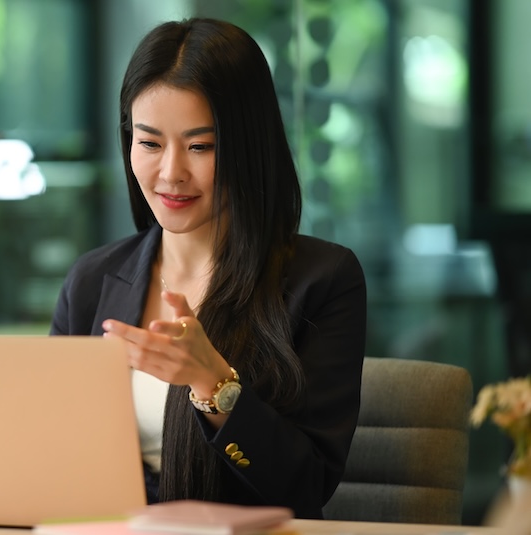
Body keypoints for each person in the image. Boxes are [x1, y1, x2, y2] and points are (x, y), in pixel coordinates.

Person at [50, 17, 367, 519]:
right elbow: (50, 454)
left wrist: (214, 384)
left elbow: (307, 488)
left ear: (247, 147)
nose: (171, 172)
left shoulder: (321, 281)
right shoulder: (91, 281)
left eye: (201, 146)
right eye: (150, 143)